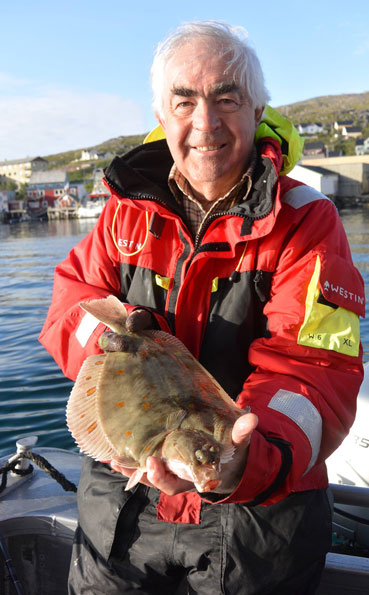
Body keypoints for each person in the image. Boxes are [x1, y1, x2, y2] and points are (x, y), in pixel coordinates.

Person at [40, 21, 365, 595]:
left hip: (259, 526)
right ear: (162, 115)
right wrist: (110, 345)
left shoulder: (306, 221)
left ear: (258, 109)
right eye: (184, 100)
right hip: (120, 504)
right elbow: (71, 302)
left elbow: (314, 369)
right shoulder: (124, 213)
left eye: (226, 99)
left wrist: (246, 461)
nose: (205, 123)